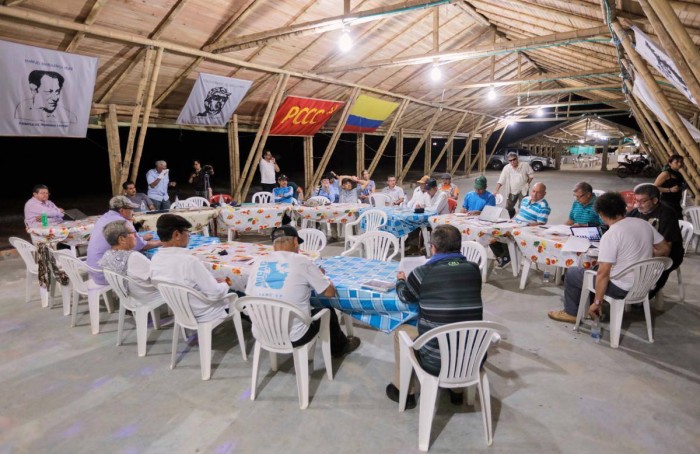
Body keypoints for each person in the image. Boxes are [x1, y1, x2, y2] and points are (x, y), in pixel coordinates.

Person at [386, 224, 483, 409]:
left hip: (436, 359)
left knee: (401, 331)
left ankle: (403, 390)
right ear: (459, 246)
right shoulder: (474, 269)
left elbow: (406, 297)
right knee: (457, 322)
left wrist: (400, 281)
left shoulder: (422, 273)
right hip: (472, 355)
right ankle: (457, 391)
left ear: (433, 247)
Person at [548, 192, 670, 324]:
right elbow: (665, 249)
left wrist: (597, 303)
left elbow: (603, 274)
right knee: (593, 268)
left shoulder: (611, 235)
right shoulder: (643, 224)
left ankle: (571, 313)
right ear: (623, 208)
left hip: (622, 288)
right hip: (645, 284)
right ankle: (586, 302)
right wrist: (642, 255)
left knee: (573, 273)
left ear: (601, 214)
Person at [245, 225, 361, 358]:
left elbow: (249, 295)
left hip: (262, 333)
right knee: (328, 310)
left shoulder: (259, 261)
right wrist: (322, 276)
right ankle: (340, 348)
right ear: (295, 241)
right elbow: (330, 293)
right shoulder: (302, 261)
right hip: (295, 336)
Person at [150, 214, 231, 322]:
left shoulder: (155, 258)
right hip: (205, 312)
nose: (189, 236)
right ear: (177, 235)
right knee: (237, 292)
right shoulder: (189, 261)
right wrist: (226, 283)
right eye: (187, 232)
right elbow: (216, 294)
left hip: (180, 311)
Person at [86, 196, 160, 285]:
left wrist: (140, 238)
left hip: (94, 270)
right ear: (121, 210)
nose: (133, 212)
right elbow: (140, 245)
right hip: (107, 275)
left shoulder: (103, 218)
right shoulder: (122, 223)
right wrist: (162, 242)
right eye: (131, 209)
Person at [627, 184, 683, 299]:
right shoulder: (635, 212)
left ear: (655, 200)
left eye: (643, 201)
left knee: (649, 275)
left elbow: (665, 251)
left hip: (669, 255)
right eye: (636, 201)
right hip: (643, 252)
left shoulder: (667, 214)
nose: (638, 205)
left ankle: (643, 295)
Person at [98, 220, 164, 303]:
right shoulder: (133, 257)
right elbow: (158, 277)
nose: (136, 236)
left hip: (128, 297)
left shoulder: (107, 254)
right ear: (122, 239)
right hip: (147, 298)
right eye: (133, 233)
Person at [490, 182, 550, 269]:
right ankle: (503, 256)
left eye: (538, 192)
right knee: (492, 232)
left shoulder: (544, 206)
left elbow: (540, 224)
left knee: (506, 234)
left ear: (544, 194)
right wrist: (510, 221)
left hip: (526, 229)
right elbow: (518, 212)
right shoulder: (525, 199)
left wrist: (525, 225)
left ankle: (506, 257)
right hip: (515, 225)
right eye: (533, 191)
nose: (534, 194)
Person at [494, 152, 534, 218]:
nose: (512, 162)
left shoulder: (525, 165)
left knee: (522, 207)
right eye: (510, 160)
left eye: (514, 159)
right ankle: (512, 217)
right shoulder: (507, 168)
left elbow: (531, 175)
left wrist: (527, 184)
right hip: (512, 190)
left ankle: (519, 220)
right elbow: (501, 179)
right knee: (508, 207)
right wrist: (496, 190)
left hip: (523, 189)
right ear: (508, 161)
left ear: (517, 158)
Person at [653, 154, 686, 220]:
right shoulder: (666, 173)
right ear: (670, 163)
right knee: (670, 221)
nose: (680, 164)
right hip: (666, 202)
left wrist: (682, 187)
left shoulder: (678, 173)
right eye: (676, 162)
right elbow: (654, 187)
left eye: (681, 162)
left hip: (676, 202)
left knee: (678, 221)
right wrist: (670, 190)